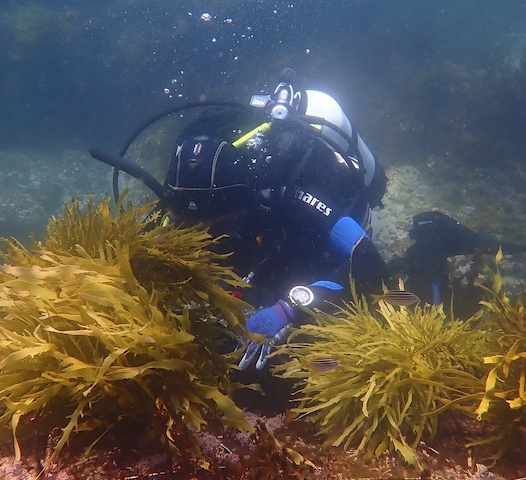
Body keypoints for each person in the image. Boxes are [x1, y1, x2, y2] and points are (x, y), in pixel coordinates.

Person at [161, 69, 388, 371]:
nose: (206, 237)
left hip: (307, 240)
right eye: (192, 226)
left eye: (217, 226)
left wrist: (291, 307)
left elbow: (369, 263)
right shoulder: (186, 194)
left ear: (242, 204)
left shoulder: (293, 194)